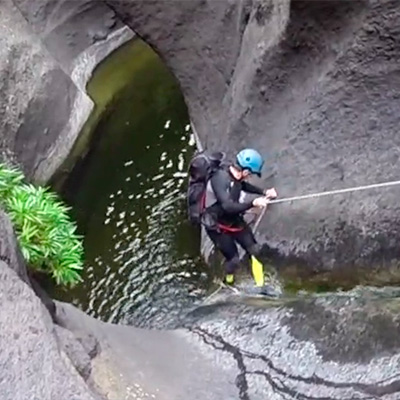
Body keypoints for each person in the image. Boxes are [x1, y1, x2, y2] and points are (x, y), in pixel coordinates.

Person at [201, 148, 277, 291]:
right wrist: (252, 203)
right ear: (246, 172)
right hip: (217, 226)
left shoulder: (237, 177)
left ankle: (261, 287)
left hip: (233, 219)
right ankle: (228, 282)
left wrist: (264, 192)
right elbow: (228, 206)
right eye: (251, 174)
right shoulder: (220, 179)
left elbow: (242, 185)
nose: (250, 177)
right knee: (234, 259)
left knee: (254, 250)